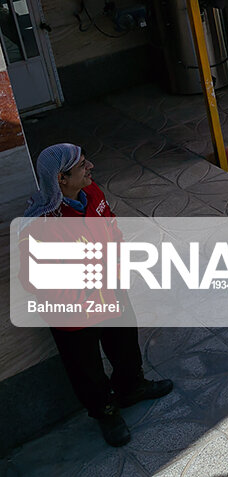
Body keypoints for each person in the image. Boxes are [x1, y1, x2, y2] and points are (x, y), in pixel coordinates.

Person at [22, 145, 174, 447]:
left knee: (126, 346)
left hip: (111, 292)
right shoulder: (41, 226)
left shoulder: (92, 194)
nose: (90, 166)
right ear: (61, 179)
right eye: (81, 165)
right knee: (86, 368)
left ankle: (132, 388)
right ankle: (105, 411)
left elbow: (112, 228)